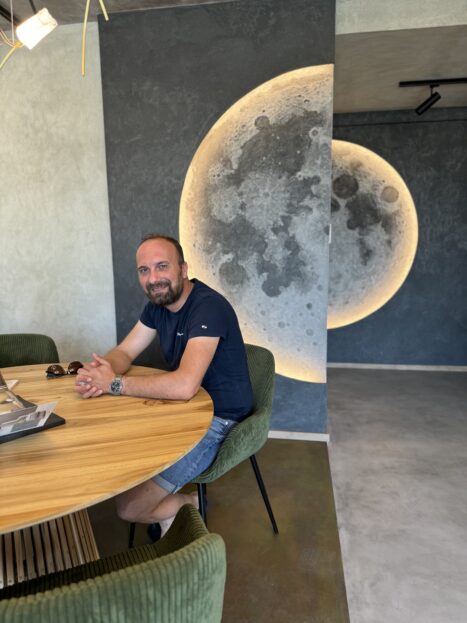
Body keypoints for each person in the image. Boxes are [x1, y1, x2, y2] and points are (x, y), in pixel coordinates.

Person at [75, 234, 253, 534]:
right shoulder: (158, 306)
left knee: (129, 507)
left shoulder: (208, 307)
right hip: (185, 409)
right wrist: (100, 372)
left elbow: (184, 386)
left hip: (220, 419)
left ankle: (191, 502)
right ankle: (162, 502)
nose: (153, 278)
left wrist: (114, 384)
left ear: (183, 269)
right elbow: (124, 352)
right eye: (144, 270)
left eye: (162, 266)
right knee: (110, 445)